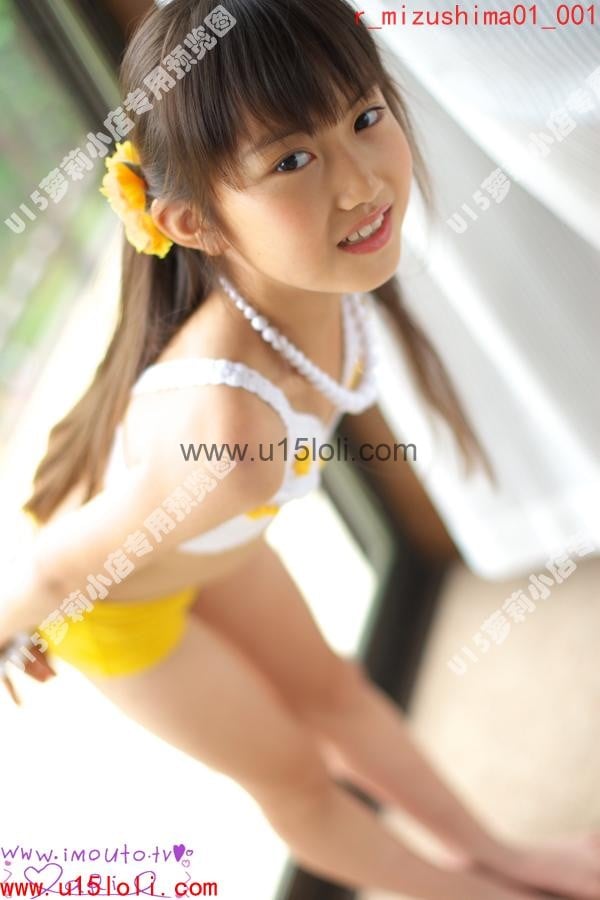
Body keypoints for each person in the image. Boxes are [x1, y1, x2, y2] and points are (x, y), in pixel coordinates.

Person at [1, 1, 600, 897]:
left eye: (365, 116)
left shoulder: (327, 287)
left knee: (338, 696)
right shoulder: (229, 436)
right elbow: (52, 566)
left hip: (205, 543)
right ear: (195, 224)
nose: (361, 185)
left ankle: (508, 856)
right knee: (294, 779)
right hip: (112, 607)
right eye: (290, 161)